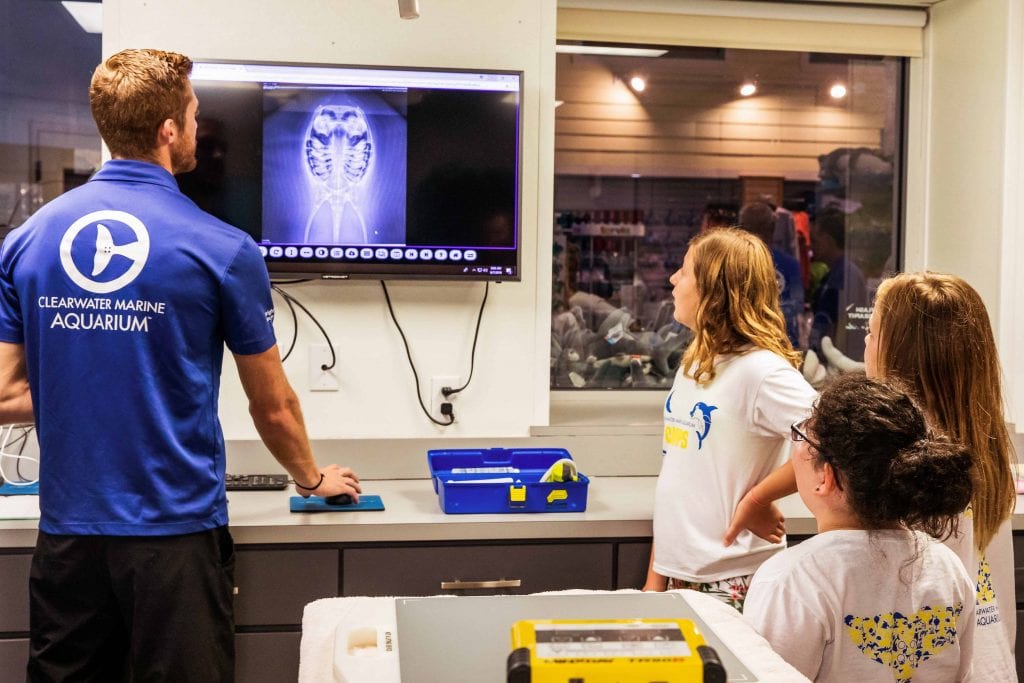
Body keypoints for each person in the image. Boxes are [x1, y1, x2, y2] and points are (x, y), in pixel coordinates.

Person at [0, 49, 360, 681]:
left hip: (68, 542)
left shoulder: (27, 242)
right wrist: (310, 480)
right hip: (173, 539)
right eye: (193, 115)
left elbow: (3, 397)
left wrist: (88, 380)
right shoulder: (222, 250)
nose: (198, 128)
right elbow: (272, 406)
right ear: (169, 131)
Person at [745, 374, 976, 682]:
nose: (796, 443)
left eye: (803, 434)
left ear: (827, 477)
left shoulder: (792, 581)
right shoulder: (947, 568)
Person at [642, 228, 816, 609]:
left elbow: (836, 439)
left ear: (713, 290)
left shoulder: (762, 372)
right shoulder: (694, 364)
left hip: (732, 578)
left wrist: (758, 499)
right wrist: (654, 580)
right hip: (679, 574)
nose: (673, 279)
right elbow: (677, 471)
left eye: (684, 272)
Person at [866, 272, 1017, 680]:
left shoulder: (899, 457)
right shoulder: (985, 444)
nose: (865, 343)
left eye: (873, 333)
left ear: (902, 356)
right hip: (988, 658)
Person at [738, 201, 805, 347]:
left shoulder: (731, 263)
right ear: (773, 228)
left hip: (741, 343)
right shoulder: (791, 265)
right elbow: (798, 305)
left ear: (741, 228)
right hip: (782, 342)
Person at [808, 208, 869, 362]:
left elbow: (848, 321)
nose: (811, 247)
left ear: (828, 240)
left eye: (814, 240)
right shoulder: (833, 273)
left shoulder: (847, 274)